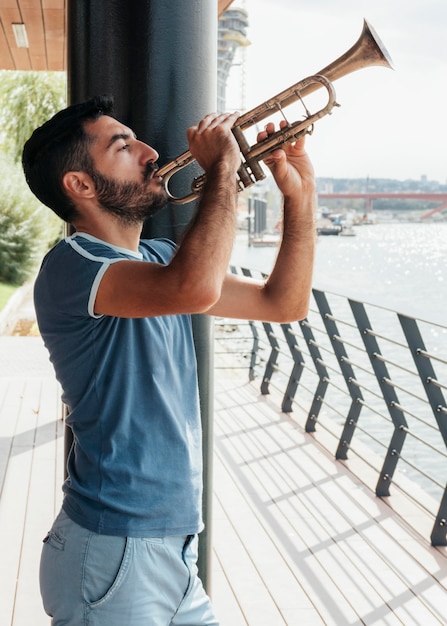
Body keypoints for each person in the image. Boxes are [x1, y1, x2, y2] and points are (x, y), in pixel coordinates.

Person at [22, 94, 316, 626]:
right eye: (124, 145)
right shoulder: (72, 267)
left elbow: (284, 304)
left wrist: (300, 194)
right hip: (113, 556)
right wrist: (224, 163)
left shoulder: (158, 260)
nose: (151, 150)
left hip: (172, 551)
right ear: (81, 186)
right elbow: (196, 286)